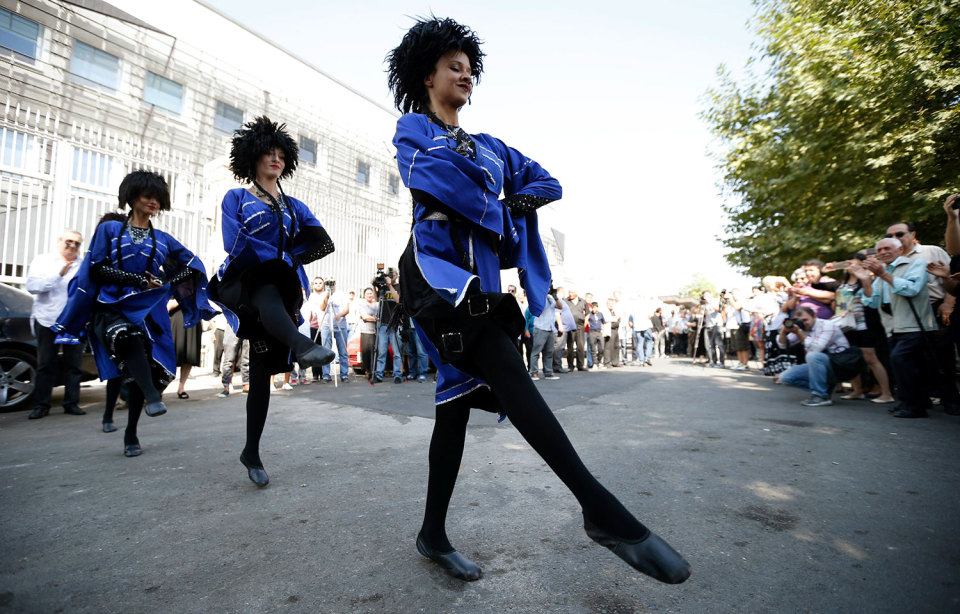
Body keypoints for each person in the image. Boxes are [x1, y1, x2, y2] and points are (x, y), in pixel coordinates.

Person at [388, 16, 690, 585]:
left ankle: (432, 534)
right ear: (427, 75)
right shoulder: (414, 129)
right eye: (454, 67)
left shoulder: (491, 147)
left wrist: (507, 206)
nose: (466, 76)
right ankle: (600, 509)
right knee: (507, 371)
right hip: (438, 279)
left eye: (471, 69)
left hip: (482, 283)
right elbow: (429, 178)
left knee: (454, 407)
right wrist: (496, 207)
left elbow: (547, 183)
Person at [207, 117, 336, 486]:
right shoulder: (236, 197)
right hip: (246, 283)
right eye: (269, 152)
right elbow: (234, 242)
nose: (276, 158)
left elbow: (323, 243)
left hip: (283, 292)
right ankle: (302, 346)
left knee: (262, 373)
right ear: (253, 157)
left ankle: (251, 452)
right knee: (266, 282)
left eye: (281, 154)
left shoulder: (295, 205)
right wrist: (273, 258)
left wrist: (289, 258)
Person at [55, 172, 213, 457]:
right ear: (131, 196)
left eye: (158, 198)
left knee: (146, 367)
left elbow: (192, 264)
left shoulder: (163, 239)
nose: (153, 201)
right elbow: (96, 267)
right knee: (128, 337)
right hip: (111, 305)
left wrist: (165, 283)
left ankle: (131, 432)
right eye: (147, 195)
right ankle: (151, 397)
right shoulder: (110, 229)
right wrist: (138, 280)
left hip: (149, 312)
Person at [862, 237, 960, 418]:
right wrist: (865, 280)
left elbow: (912, 289)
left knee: (904, 361)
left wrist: (883, 275)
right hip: (894, 327)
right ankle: (913, 403)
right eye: (880, 250)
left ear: (900, 250)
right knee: (910, 366)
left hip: (915, 325)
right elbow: (871, 301)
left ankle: (917, 405)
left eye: (887, 248)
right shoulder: (882, 272)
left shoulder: (915, 264)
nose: (883, 252)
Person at [26, 229, 84, 419]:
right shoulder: (43, 261)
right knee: (45, 364)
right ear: (59, 242)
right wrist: (59, 275)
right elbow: (32, 287)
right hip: (47, 319)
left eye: (77, 243)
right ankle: (41, 405)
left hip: (73, 322)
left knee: (74, 365)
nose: (73, 246)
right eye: (69, 241)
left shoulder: (82, 265)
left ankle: (71, 403)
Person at [775, 306, 860, 406]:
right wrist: (783, 331)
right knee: (785, 378)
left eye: (805, 320)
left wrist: (798, 333)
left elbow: (816, 348)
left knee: (812, 356)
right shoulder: (801, 328)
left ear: (814, 316)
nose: (803, 323)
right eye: (799, 321)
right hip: (821, 365)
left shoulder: (826, 325)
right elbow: (782, 345)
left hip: (840, 366)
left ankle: (820, 396)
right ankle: (825, 388)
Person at [168, 296, 201, 399]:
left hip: (193, 321)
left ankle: (181, 387)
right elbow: (167, 307)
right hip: (176, 321)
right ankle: (160, 387)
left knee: (189, 356)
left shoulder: (197, 288)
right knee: (170, 356)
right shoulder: (173, 288)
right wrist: (184, 298)